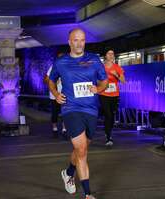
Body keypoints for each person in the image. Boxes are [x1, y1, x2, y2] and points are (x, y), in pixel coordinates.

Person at [48, 28, 108, 199]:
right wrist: (56, 94)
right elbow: (51, 81)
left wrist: (98, 88)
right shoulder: (61, 62)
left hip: (91, 109)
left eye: (82, 40)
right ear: (69, 42)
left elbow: (104, 81)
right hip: (71, 109)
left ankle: (68, 173)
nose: (79, 43)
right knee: (81, 150)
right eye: (75, 40)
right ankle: (88, 194)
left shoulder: (94, 60)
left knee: (82, 148)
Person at [99, 50, 125, 146]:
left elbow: (123, 81)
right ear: (105, 55)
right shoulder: (101, 67)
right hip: (103, 94)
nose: (111, 55)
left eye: (113, 54)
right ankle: (108, 136)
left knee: (112, 116)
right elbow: (96, 78)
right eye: (109, 53)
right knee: (108, 115)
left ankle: (108, 132)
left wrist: (116, 75)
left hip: (114, 95)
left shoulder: (117, 67)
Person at [44, 53, 67, 138]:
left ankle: (64, 129)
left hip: (65, 94)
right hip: (54, 95)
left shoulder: (67, 67)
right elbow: (45, 80)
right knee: (55, 113)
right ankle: (55, 128)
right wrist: (52, 81)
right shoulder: (53, 67)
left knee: (65, 112)